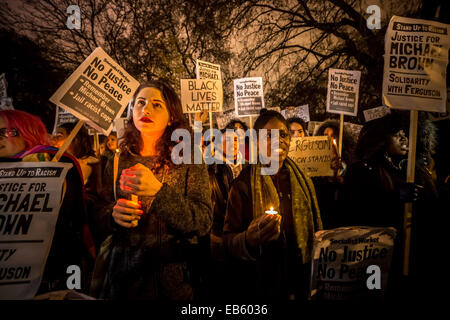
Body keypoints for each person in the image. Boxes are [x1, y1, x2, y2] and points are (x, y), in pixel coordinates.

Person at [93, 80, 212, 300]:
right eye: (140, 103)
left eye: (157, 104)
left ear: (172, 116)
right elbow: (97, 214)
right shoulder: (118, 160)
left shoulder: (189, 159)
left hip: (175, 285)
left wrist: (159, 193)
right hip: (124, 284)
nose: (145, 109)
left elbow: (203, 221)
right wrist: (112, 215)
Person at [223, 110, 322, 300]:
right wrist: (248, 240)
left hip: (301, 279)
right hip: (262, 284)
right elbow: (228, 241)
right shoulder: (243, 185)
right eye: (269, 136)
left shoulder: (304, 182)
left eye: (283, 134)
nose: (279, 140)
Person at [0, 109, 95, 294]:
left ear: (28, 131)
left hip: (55, 267)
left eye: (8, 131)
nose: (1, 138)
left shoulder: (59, 162)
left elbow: (76, 216)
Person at [343, 113, 423, 297]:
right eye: (397, 134)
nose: (404, 139)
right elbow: (356, 210)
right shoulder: (361, 170)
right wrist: (394, 197)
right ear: (380, 140)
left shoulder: (410, 170)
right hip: (373, 256)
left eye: (405, 133)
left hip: (405, 254)